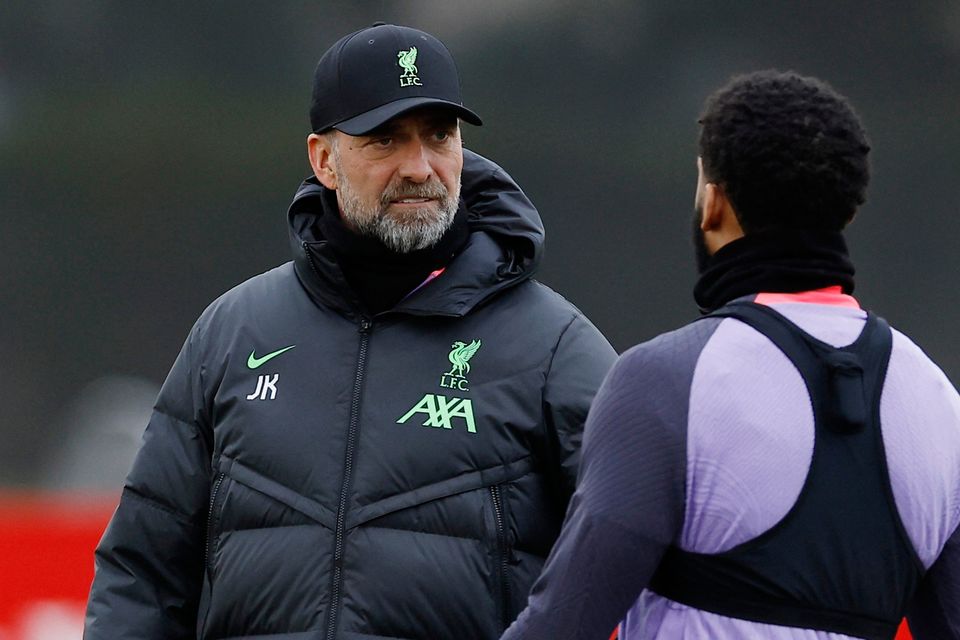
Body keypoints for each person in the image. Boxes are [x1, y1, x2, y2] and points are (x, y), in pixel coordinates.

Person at [83, 23, 616, 640]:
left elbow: (638, 540)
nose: (419, 167)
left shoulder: (553, 346)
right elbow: (141, 576)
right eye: (385, 139)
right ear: (324, 160)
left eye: (439, 136)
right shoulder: (231, 334)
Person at [501, 70, 960, 640]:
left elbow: (564, 623)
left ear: (713, 203)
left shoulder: (663, 381)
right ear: (847, 214)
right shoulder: (942, 405)